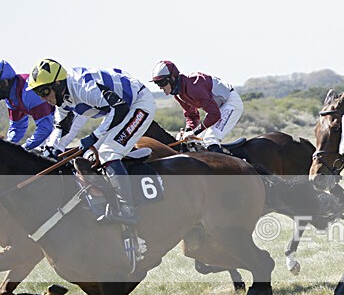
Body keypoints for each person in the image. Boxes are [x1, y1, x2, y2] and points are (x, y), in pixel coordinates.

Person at [27, 59, 156, 225]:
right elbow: (62, 128)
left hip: (138, 103)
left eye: (44, 91)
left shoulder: (83, 87)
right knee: (90, 155)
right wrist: (50, 150)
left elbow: (119, 108)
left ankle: (128, 211)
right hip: (121, 108)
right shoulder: (63, 99)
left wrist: (94, 136)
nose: (43, 98)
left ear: (58, 84)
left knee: (108, 152)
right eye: (38, 93)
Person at [151, 61, 243, 152]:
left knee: (210, 140)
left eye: (162, 83)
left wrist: (194, 132)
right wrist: (187, 131)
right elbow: (192, 115)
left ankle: (228, 166)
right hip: (217, 108)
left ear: (172, 79)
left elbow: (214, 115)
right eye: (157, 83)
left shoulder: (194, 87)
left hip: (230, 103)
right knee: (195, 141)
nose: (160, 87)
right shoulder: (178, 94)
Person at [0, 60, 54, 151]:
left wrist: (24, 149)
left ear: (5, 82)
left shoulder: (29, 92)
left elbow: (45, 128)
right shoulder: (11, 99)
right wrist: (7, 148)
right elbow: (17, 127)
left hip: (70, 117)